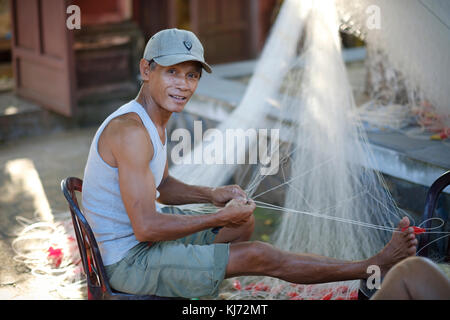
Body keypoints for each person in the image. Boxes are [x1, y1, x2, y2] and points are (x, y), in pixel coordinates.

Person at [82, 28, 418, 298]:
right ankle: (372, 266)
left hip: (138, 242)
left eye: (192, 75)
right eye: (172, 72)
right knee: (260, 255)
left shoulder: (154, 116)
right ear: (146, 69)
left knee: (241, 226)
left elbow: (165, 187)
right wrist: (218, 216)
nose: (183, 86)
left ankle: (200, 273)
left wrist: (213, 194)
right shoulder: (130, 132)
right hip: (127, 261)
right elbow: (146, 227)